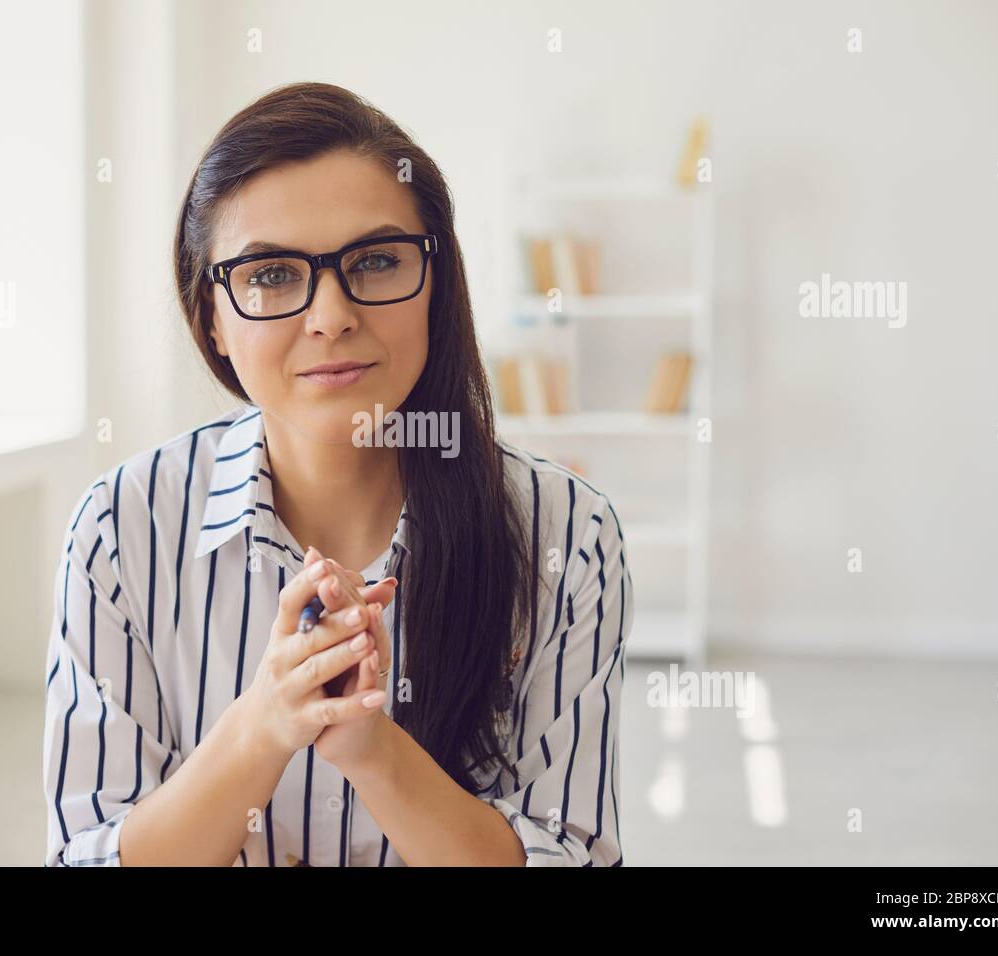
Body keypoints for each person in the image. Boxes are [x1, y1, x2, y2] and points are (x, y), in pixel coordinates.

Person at [43, 81, 632, 866]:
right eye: (272, 275)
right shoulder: (121, 528)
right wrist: (263, 726)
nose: (330, 316)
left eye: (378, 261)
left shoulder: (568, 535)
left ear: (437, 284)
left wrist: (373, 752)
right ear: (211, 317)